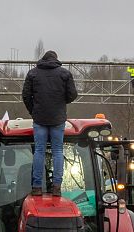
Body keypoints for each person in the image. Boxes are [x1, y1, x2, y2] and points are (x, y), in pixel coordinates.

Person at [22, 50, 78, 197]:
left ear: (43, 59)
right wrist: (60, 103)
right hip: (58, 118)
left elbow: (26, 95)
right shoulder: (65, 74)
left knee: (39, 151)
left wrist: (33, 111)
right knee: (58, 151)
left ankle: (37, 187)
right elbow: (73, 94)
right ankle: (57, 187)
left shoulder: (33, 74)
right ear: (56, 59)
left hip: (39, 118)